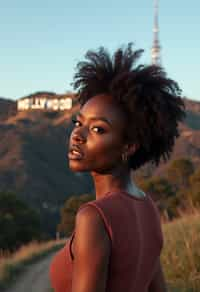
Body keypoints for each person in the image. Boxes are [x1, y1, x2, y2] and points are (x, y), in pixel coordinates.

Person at [50, 43, 186, 292]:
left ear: (129, 146)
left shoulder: (94, 217)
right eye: (78, 122)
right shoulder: (148, 207)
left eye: (97, 129)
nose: (77, 135)